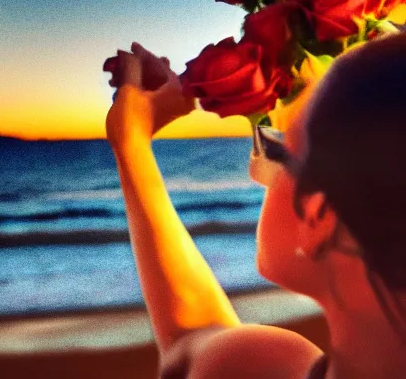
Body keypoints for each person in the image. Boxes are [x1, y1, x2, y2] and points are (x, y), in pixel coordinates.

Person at [103, 36, 406, 378]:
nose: (257, 172)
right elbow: (192, 335)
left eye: (279, 150)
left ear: (318, 214)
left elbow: (189, 343)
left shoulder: (275, 361)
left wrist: (131, 142)